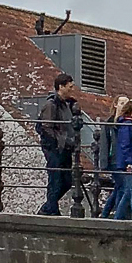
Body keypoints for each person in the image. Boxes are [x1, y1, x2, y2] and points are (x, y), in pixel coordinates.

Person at [36, 75, 81, 215]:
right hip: (55, 147)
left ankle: (49, 207)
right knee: (56, 179)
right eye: (70, 86)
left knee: (67, 181)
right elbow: (46, 127)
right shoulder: (51, 104)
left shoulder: (66, 104)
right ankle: (51, 209)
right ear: (61, 87)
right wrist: (61, 141)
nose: (72, 89)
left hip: (64, 147)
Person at [101, 98, 132, 220]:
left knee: (124, 190)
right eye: (121, 103)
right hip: (123, 161)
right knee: (131, 190)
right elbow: (119, 145)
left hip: (126, 161)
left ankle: (112, 216)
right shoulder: (124, 124)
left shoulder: (128, 123)